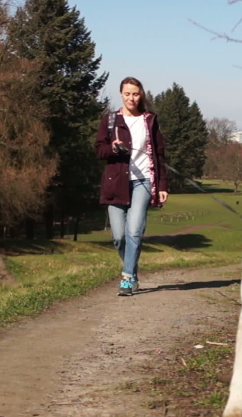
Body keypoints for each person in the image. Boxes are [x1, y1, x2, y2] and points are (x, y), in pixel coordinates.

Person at [95, 77, 169, 296]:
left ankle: (126, 278)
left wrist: (162, 184)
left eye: (135, 94)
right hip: (115, 182)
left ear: (141, 95)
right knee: (119, 237)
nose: (131, 98)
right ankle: (132, 271)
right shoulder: (109, 120)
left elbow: (160, 154)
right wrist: (113, 148)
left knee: (134, 230)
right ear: (121, 94)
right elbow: (99, 150)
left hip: (144, 181)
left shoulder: (150, 120)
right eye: (127, 94)